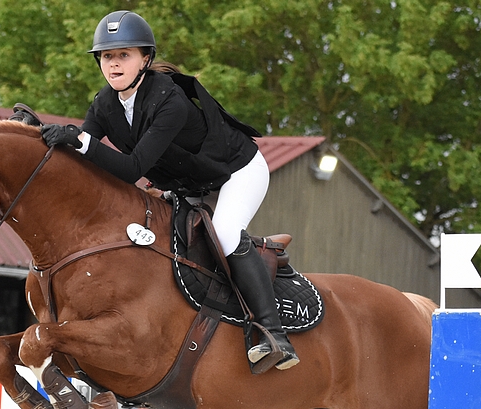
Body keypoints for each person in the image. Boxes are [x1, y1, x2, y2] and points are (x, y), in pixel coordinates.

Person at [39, 10, 298, 378]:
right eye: (108, 56)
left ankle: (274, 334)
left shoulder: (169, 100)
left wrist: (78, 140)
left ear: (145, 59)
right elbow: (85, 156)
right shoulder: (105, 103)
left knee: (224, 230)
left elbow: (131, 169)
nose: (114, 64)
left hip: (237, 171)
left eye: (124, 55)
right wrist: (39, 138)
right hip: (190, 183)